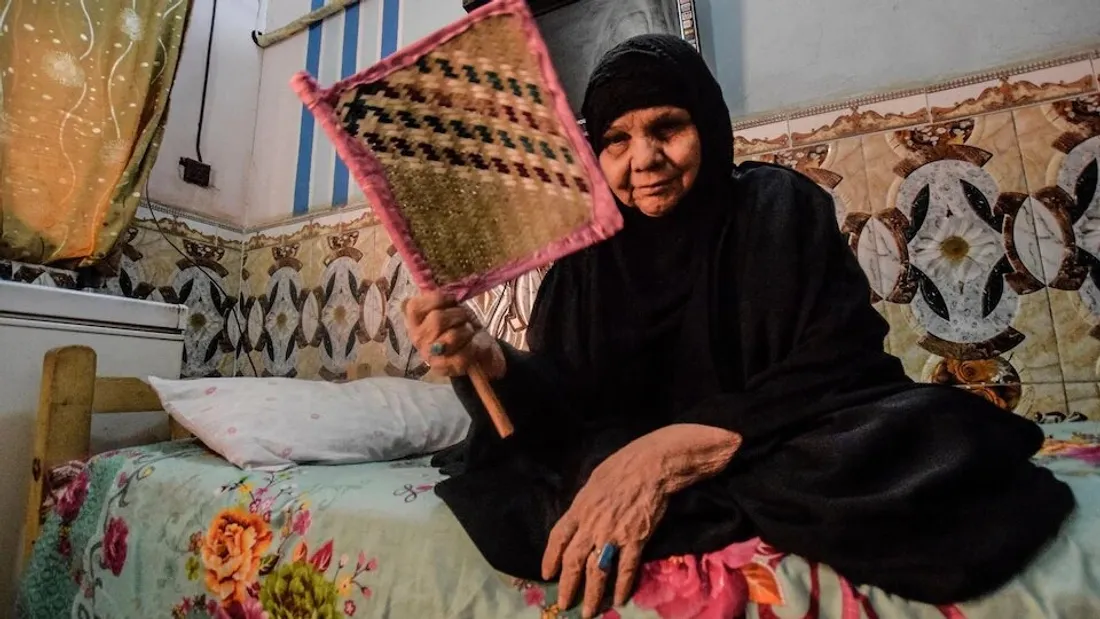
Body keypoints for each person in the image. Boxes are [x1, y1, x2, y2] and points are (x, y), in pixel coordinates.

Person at [403, 34, 1074, 618]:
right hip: (641, 451)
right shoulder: (585, 259)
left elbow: (837, 364)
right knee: (532, 480)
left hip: (772, 434)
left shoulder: (778, 206)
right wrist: (489, 360)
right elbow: (562, 402)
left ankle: (678, 485)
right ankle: (670, 486)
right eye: (616, 140)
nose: (644, 158)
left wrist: (666, 456)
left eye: (667, 127)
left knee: (939, 434)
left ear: (708, 123)